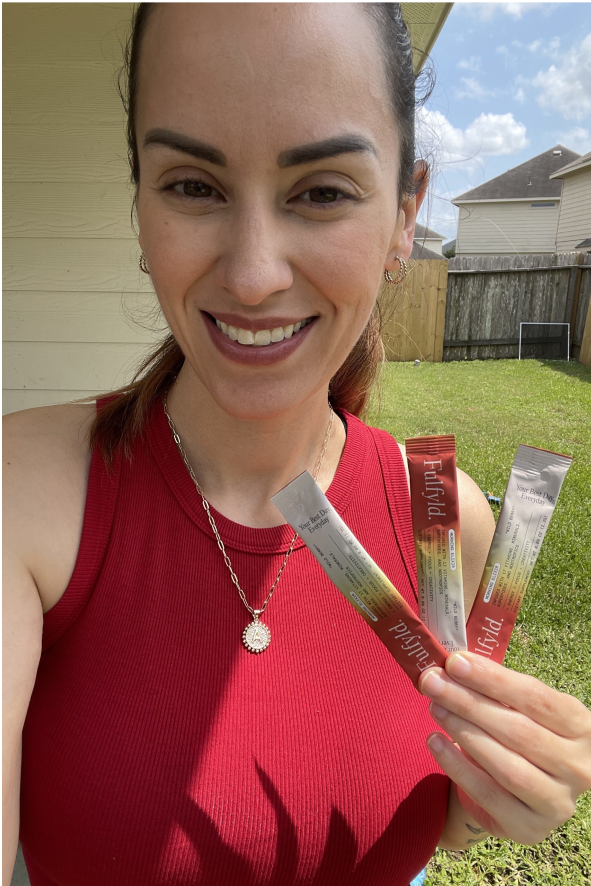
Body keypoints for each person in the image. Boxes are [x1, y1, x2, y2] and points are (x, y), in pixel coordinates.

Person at [3, 3, 590, 885]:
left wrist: (483, 801)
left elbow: (431, 829)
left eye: (321, 192)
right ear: (139, 206)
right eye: (193, 186)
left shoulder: (447, 527)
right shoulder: (24, 498)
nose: (251, 273)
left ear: (405, 214)